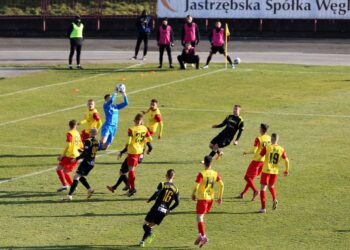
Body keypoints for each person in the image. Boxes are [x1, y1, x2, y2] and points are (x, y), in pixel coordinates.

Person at [139, 169, 179, 247]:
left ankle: (150, 234)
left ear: (166, 176)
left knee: (145, 225)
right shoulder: (176, 189)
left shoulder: (162, 184)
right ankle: (142, 241)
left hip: (156, 208)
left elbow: (156, 194)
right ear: (174, 177)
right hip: (164, 211)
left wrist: (149, 199)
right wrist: (170, 209)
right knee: (150, 226)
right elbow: (177, 203)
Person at [192, 156, 224, 248]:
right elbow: (222, 185)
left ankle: (203, 236)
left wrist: (193, 194)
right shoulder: (215, 173)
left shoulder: (201, 174)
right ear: (211, 163)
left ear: (204, 163)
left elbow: (196, 187)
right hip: (211, 199)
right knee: (200, 217)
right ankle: (200, 235)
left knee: (200, 217)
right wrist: (220, 197)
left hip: (203, 199)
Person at [63, 128, 100, 201]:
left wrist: (76, 158)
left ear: (90, 133)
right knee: (80, 176)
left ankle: (69, 195)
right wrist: (83, 151)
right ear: (96, 134)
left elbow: (86, 153)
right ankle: (89, 190)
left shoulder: (88, 141)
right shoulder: (97, 142)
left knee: (76, 177)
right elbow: (90, 151)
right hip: (92, 162)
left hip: (86, 162)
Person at [238, 123, 271, 200]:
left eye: (260, 128)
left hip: (257, 160)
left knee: (247, 177)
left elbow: (254, 150)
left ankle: (255, 191)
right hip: (264, 161)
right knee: (251, 179)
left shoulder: (259, 138)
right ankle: (243, 194)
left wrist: (246, 152)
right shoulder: (269, 138)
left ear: (262, 129)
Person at [259, 133, 289, 213]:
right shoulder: (281, 149)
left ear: (272, 139)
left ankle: (263, 208)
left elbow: (261, 155)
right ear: (277, 139)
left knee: (263, 188)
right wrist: (286, 170)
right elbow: (287, 160)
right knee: (271, 186)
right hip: (275, 171)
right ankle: (274, 199)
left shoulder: (267, 147)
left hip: (266, 170)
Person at [126, 113, 152, 197]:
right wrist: (142, 141)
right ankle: (131, 187)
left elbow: (129, 140)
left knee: (131, 170)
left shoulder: (131, 129)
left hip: (132, 151)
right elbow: (150, 138)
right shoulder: (144, 128)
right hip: (140, 151)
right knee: (131, 170)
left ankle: (132, 188)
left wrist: (126, 145)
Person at [56, 120, 83, 192]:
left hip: (71, 155)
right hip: (73, 155)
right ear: (76, 125)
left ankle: (72, 186)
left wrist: (62, 155)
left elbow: (69, 145)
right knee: (59, 169)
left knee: (64, 171)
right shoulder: (77, 133)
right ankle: (65, 185)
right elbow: (81, 145)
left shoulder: (69, 133)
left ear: (69, 125)